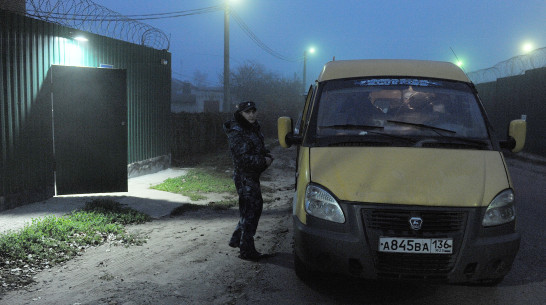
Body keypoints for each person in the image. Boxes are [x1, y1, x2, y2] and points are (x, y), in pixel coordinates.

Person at [223, 101, 274, 260]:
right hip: (244, 177)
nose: (252, 115)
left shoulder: (253, 128)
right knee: (251, 210)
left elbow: (259, 147)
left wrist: (267, 154)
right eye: (247, 112)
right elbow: (242, 159)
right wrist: (263, 161)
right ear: (240, 114)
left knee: (251, 209)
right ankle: (246, 250)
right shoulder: (237, 132)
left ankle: (238, 239)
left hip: (252, 176)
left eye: (253, 111)